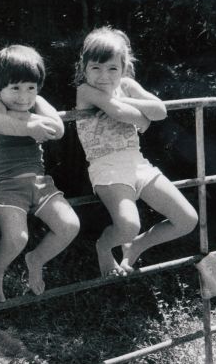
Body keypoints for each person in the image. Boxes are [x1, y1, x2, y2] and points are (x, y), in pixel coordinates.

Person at [75, 27, 197, 276]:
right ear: (84, 67)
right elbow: (120, 114)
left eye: (112, 69)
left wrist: (133, 106)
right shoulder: (86, 90)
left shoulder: (126, 86)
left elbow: (160, 111)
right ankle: (104, 247)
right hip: (107, 167)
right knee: (128, 225)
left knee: (187, 219)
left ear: (123, 68)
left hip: (137, 164)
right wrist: (142, 118)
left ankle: (137, 246)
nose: (104, 76)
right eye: (95, 68)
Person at [0, 45, 80, 303]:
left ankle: (36, 259)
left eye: (31, 88)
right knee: (17, 238)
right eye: (15, 88)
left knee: (69, 225)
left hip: (40, 183)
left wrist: (32, 120)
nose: (24, 96)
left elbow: (57, 129)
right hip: (6, 186)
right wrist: (30, 125)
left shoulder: (36, 103)